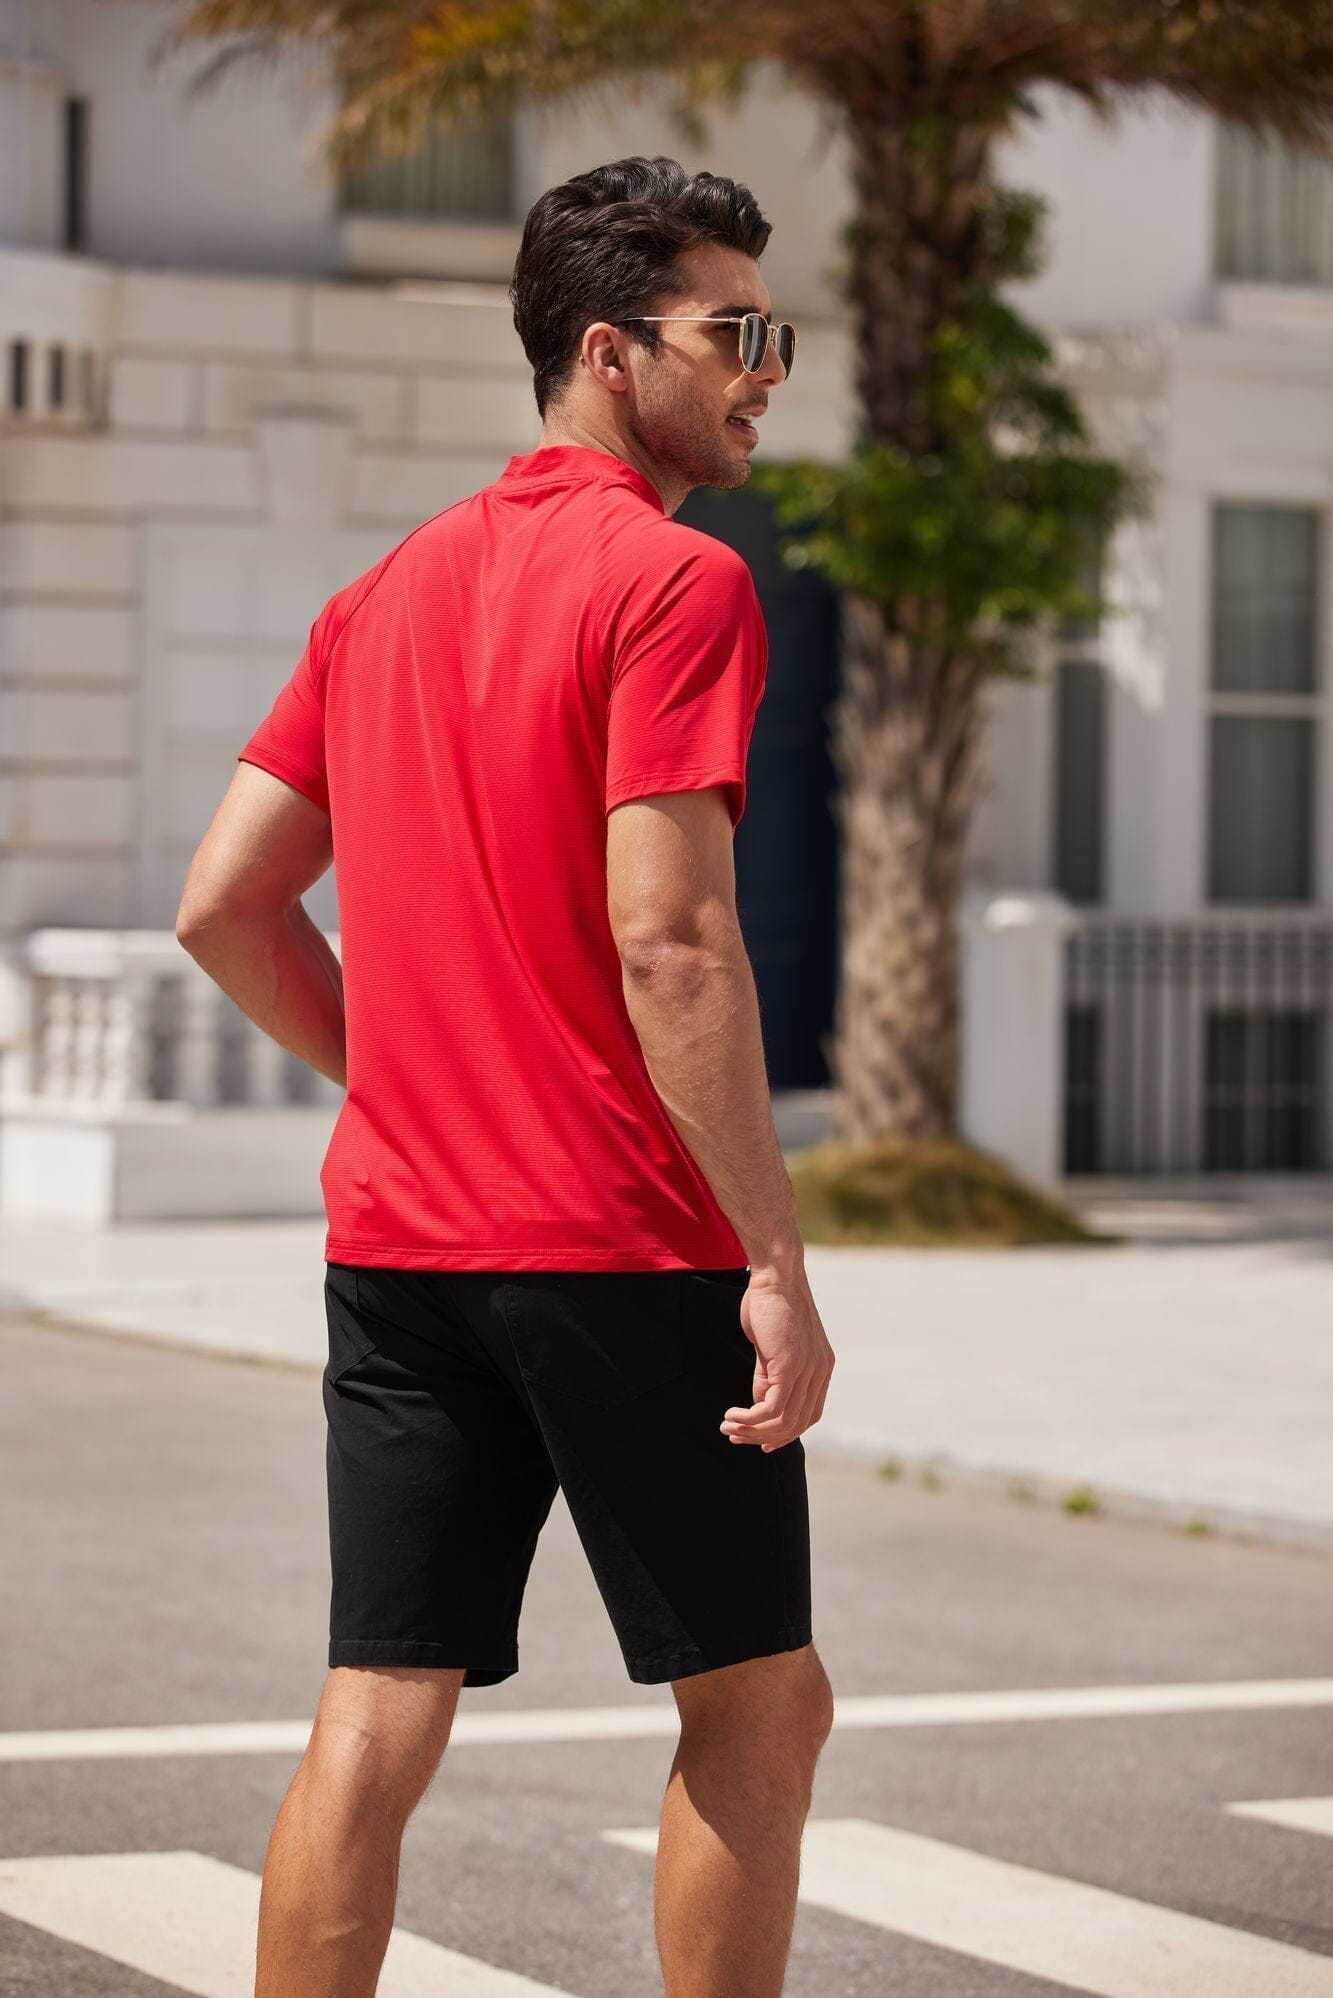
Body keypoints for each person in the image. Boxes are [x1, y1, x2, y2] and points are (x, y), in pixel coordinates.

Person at [176, 153, 836, 1998]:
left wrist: (404, 1080)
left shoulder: (382, 592)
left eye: (775, 331)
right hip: (619, 1245)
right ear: (610, 351)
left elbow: (224, 903)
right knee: (758, 1701)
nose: (770, 369)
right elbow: (673, 941)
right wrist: (772, 1257)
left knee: (379, 1706)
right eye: (735, 332)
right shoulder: (675, 583)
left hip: (399, 1249)